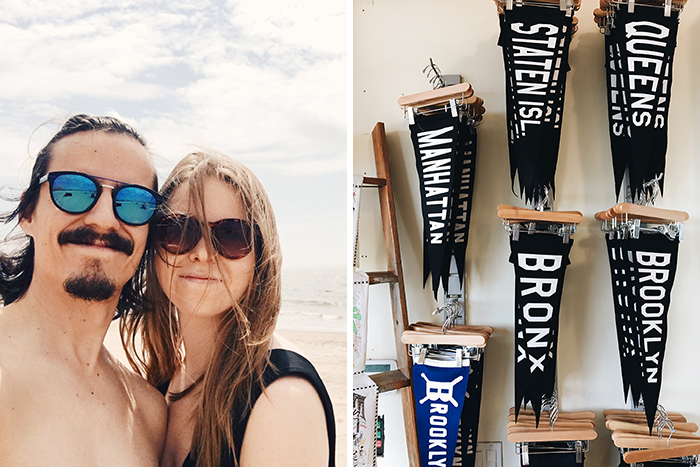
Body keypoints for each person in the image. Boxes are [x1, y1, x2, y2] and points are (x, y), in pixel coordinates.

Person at [120, 150, 335, 467]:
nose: (203, 253)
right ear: (153, 245)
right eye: (179, 231)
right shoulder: (169, 378)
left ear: (259, 258)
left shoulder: (282, 398)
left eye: (232, 236)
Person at [0, 115, 167, 465]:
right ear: (28, 212)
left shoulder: (150, 411)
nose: (104, 218)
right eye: (73, 191)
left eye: (135, 202)